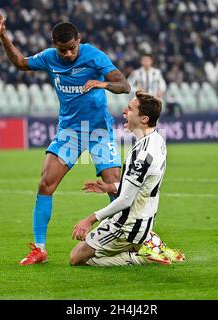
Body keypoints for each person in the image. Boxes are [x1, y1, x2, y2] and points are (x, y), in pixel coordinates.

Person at [0, 13, 131, 265]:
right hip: (70, 131)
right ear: (55, 45)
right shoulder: (49, 57)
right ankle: (39, 249)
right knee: (46, 184)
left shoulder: (94, 55)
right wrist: (3, 38)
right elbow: (21, 63)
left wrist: (101, 83)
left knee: (115, 187)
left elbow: (124, 85)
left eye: (72, 49)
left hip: (98, 130)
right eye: (62, 50)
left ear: (79, 40)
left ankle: (129, 239)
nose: (67, 55)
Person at [70, 91, 184, 266]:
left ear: (144, 119)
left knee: (76, 258)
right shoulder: (157, 140)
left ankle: (140, 256)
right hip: (144, 220)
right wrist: (110, 187)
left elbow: (125, 200)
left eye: (130, 109)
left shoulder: (143, 153)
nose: (124, 111)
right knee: (86, 252)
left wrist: (90, 219)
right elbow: (141, 185)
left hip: (127, 226)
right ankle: (149, 243)